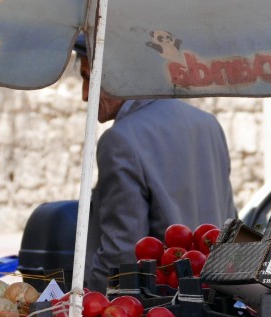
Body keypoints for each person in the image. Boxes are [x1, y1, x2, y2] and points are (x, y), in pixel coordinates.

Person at [74, 35, 237, 293]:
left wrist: (88, 307)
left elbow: (123, 253)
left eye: (88, 78)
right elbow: (229, 225)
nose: (85, 95)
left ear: (119, 73)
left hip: (158, 309)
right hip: (215, 299)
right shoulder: (207, 124)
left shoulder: (121, 140)